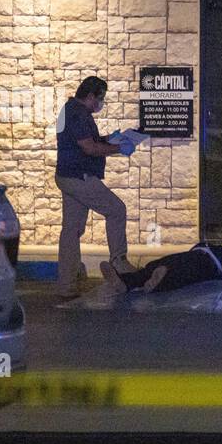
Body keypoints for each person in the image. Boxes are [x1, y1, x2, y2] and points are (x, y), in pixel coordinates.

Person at [55, 76, 134, 299]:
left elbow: (89, 139)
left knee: (71, 230)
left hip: (67, 175)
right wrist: (119, 148)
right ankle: (118, 261)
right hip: (79, 176)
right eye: (100, 98)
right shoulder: (78, 113)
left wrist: (110, 138)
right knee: (116, 209)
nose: (101, 103)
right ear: (90, 96)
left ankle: (67, 284)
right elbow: (89, 147)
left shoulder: (70, 109)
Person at [101, 243, 222, 295]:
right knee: (163, 264)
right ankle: (126, 283)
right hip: (200, 254)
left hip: (210, 265)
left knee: (180, 270)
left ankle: (151, 282)